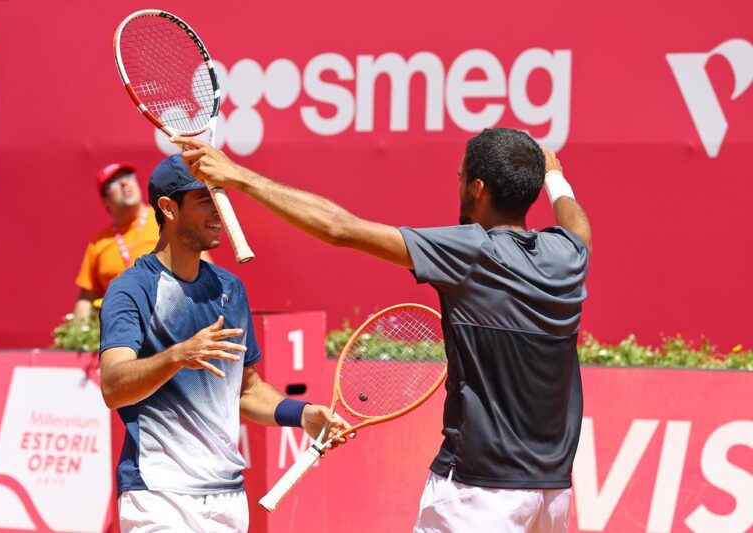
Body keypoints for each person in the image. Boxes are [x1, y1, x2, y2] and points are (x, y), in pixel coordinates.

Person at [172, 128, 592, 533]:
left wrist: (239, 177)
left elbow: (339, 228)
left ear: (478, 188)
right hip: (551, 495)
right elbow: (578, 226)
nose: (458, 184)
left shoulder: (471, 250)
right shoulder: (567, 255)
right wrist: (555, 178)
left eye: (461, 176)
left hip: (478, 494)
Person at [99, 155, 349, 532]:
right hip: (158, 495)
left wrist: (301, 414)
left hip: (227, 498)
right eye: (205, 199)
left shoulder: (229, 288)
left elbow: (245, 390)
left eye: (221, 196)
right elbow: (113, 387)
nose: (220, 210)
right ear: (168, 208)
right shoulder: (130, 289)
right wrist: (178, 356)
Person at [73, 163, 158, 320]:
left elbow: (200, 266)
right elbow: (86, 298)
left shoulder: (166, 219)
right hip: (121, 327)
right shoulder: (98, 244)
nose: (124, 182)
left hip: (170, 321)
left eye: (128, 176)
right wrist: (78, 330)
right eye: (114, 181)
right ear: (104, 200)